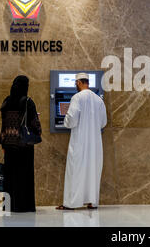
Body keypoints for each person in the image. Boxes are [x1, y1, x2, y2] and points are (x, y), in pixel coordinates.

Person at [57, 73, 107, 210]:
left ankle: (71, 203)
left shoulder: (76, 98)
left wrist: (65, 120)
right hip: (95, 144)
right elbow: (103, 122)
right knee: (93, 171)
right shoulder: (98, 100)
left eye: (75, 83)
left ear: (78, 82)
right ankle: (92, 202)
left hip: (79, 142)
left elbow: (71, 120)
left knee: (75, 171)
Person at [0, 75, 42, 213]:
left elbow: (3, 124)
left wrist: (3, 144)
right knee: (24, 176)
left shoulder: (6, 101)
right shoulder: (28, 102)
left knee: (10, 176)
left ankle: (9, 205)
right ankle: (24, 206)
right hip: (24, 146)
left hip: (9, 145)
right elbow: (35, 126)